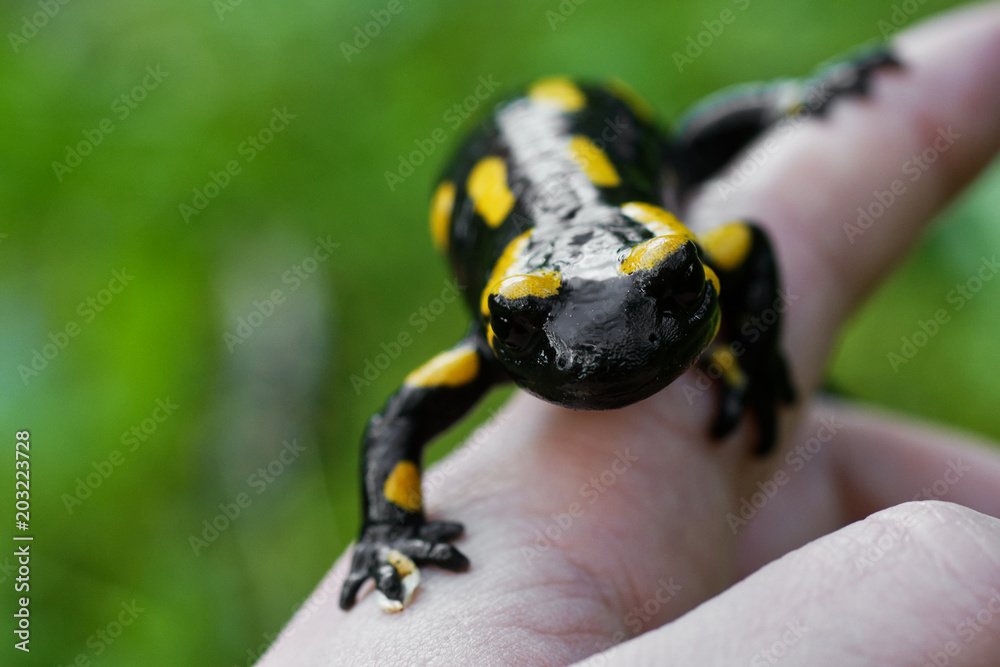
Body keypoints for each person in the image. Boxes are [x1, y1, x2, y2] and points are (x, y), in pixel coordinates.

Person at [261, 4, 1000, 664]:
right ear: (499, 316)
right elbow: (397, 423)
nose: (606, 349)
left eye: (673, 286)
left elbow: (747, 249)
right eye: (531, 322)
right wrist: (389, 529)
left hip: (600, 125)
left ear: (680, 256)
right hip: (527, 180)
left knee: (693, 152)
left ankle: (791, 97)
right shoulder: (516, 309)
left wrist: (754, 346)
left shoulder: (679, 247)